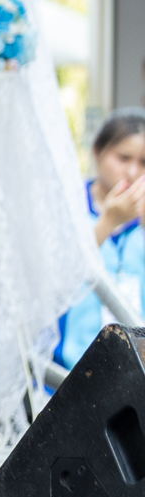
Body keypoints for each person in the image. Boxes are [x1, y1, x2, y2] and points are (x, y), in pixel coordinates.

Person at [57, 111, 145, 369]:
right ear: (97, 152)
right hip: (69, 369)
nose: (132, 171)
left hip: (134, 372)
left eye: (143, 162)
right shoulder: (67, 207)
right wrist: (109, 221)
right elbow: (58, 277)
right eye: (123, 158)